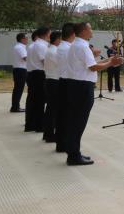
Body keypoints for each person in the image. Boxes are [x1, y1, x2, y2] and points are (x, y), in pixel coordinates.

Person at [63, 22, 123, 166]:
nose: (92, 31)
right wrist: (111, 63)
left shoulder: (76, 45)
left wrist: (110, 60)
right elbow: (93, 67)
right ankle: (73, 155)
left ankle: (74, 152)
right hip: (82, 86)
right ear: (84, 31)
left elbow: (91, 64)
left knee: (76, 120)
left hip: (76, 85)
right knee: (79, 121)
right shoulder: (83, 46)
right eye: (90, 28)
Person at [55, 23, 76, 154]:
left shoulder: (62, 46)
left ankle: (61, 143)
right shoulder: (69, 48)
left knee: (63, 114)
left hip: (63, 80)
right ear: (73, 34)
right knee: (67, 115)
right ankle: (64, 143)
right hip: (67, 82)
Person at [25, 27, 50, 133]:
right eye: (49, 33)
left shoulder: (33, 45)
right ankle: (39, 125)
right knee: (40, 101)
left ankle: (30, 124)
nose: (50, 36)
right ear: (46, 34)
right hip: (39, 74)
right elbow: (45, 61)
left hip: (32, 74)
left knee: (32, 100)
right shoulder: (41, 45)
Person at [42, 31, 62, 143]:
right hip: (54, 81)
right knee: (53, 110)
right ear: (58, 39)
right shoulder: (55, 51)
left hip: (50, 80)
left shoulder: (50, 50)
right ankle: (50, 135)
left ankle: (47, 134)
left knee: (50, 109)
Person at [10, 33, 28, 113]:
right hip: (20, 70)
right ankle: (15, 107)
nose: (27, 40)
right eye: (26, 38)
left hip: (18, 69)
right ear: (22, 39)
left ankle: (15, 106)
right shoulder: (20, 47)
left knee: (17, 89)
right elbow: (25, 58)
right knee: (18, 89)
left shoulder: (18, 46)